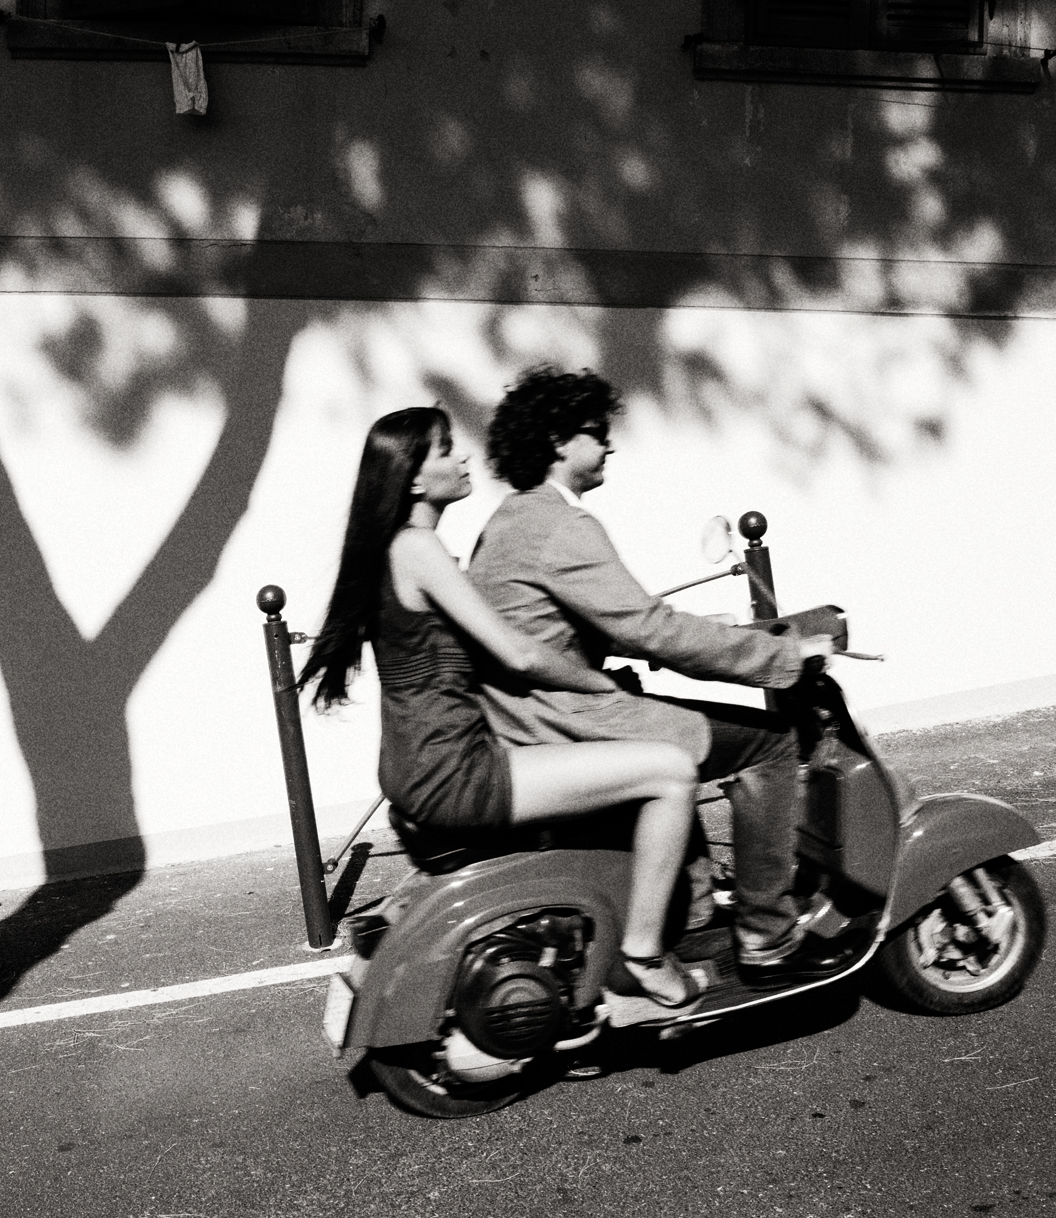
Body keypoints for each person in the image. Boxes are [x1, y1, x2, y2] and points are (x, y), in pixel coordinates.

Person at [298, 405, 704, 1010]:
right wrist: (600, 685)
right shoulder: (417, 548)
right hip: (453, 772)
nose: (463, 456)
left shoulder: (401, 552)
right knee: (671, 772)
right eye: (445, 449)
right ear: (413, 479)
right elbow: (517, 652)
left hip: (418, 766)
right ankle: (642, 954)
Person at [466, 365, 840, 987]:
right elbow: (649, 630)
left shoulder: (510, 520)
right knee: (769, 745)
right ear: (558, 442)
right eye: (596, 432)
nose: (609, 444)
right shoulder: (563, 526)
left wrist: (716, 631)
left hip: (525, 717)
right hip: (567, 720)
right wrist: (782, 657)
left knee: (683, 726)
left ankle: (692, 916)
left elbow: (592, 623)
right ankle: (767, 935)